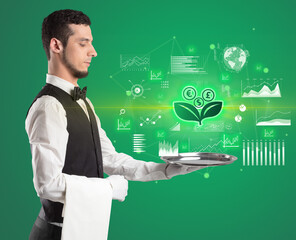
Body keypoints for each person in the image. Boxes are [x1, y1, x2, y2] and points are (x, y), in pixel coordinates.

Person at [25, 9, 205, 240]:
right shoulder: (48, 106)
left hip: (84, 229)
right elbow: (47, 184)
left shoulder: (84, 102)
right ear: (56, 46)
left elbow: (110, 159)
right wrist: (108, 189)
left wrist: (167, 170)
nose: (93, 51)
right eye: (83, 43)